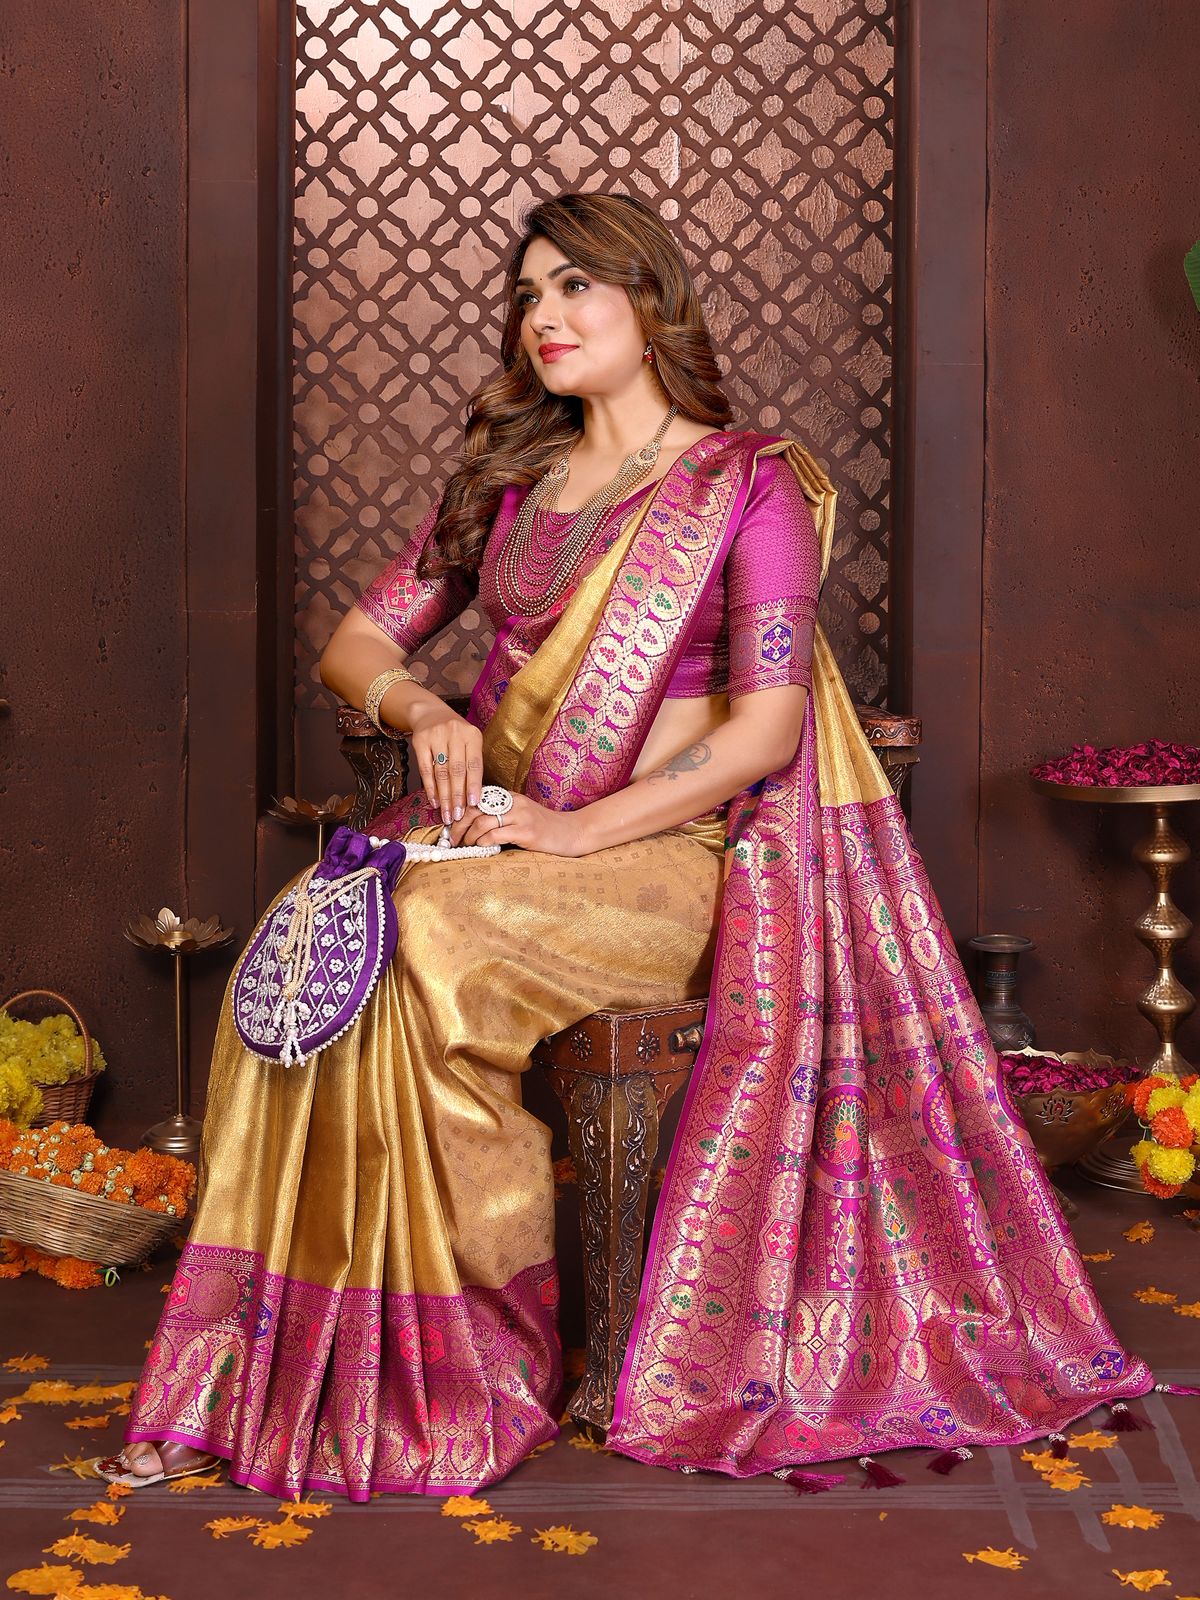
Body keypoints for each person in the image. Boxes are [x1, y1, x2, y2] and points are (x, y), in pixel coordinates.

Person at [98, 191, 1152, 1500]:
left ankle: (455, 1374)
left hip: (666, 853)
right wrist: (425, 705)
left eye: (576, 288)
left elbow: (769, 726)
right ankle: (257, 1375)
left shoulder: (750, 484)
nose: (544, 317)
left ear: (650, 303)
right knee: (305, 939)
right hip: (497, 834)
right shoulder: (512, 483)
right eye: (529, 295)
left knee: (424, 941)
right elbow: (358, 645)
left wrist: (573, 826)